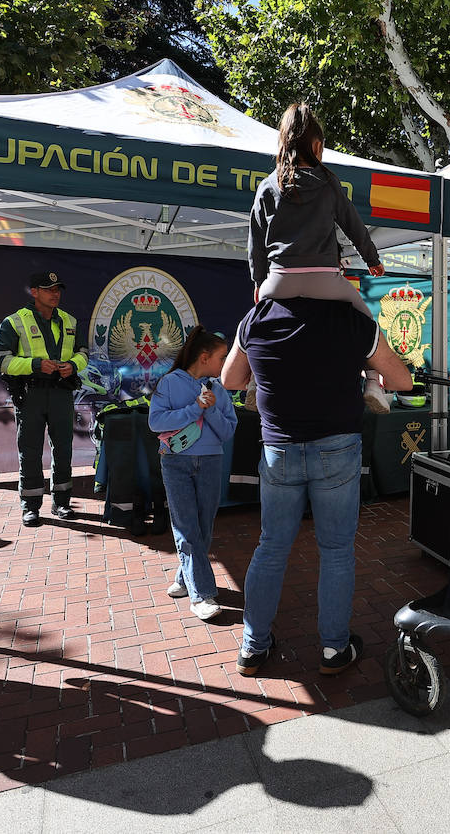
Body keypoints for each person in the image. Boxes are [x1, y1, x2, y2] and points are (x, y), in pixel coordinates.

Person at [221, 296, 411, 677]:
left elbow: (229, 379)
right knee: (337, 550)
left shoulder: (257, 315)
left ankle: (253, 647)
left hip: (279, 448)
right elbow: (404, 380)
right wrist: (366, 372)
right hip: (337, 446)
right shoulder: (353, 319)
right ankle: (334, 649)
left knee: (271, 548)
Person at [248, 103, 389, 413]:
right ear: (316, 146)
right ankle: (373, 383)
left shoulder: (267, 186)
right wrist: (372, 259)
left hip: (279, 280)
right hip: (325, 280)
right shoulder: (328, 182)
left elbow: (256, 243)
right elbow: (353, 223)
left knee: (256, 324)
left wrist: (260, 283)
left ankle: (253, 382)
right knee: (367, 323)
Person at [148, 328, 237, 622]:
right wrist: (194, 408)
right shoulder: (170, 383)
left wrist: (209, 410)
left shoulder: (218, 388)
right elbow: (156, 422)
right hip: (176, 462)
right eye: (222, 357)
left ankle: (186, 578)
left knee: (202, 526)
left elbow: (227, 431)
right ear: (204, 357)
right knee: (186, 528)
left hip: (211, 462)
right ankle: (202, 596)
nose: (224, 363)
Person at [0, 271, 88, 527]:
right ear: (34, 292)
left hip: (61, 392)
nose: (55, 293)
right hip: (31, 393)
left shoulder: (70, 321)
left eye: (58, 289)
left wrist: (72, 365)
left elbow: (83, 353)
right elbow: (0, 360)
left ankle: (62, 502)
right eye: (48, 289)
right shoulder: (14, 322)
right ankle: (31, 506)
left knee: (64, 449)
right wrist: (35, 365)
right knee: (31, 451)